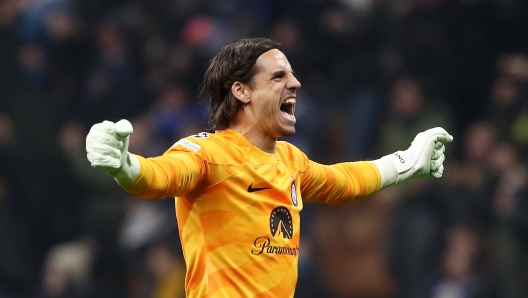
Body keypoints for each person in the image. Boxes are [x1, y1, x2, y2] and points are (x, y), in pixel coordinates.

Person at [85, 38, 453, 297]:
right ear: (241, 91)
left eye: (291, 75)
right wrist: (125, 166)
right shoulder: (207, 153)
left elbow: (344, 180)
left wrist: (408, 162)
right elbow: (161, 176)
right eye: (278, 77)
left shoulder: (291, 161)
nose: (294, 82)